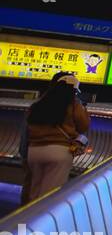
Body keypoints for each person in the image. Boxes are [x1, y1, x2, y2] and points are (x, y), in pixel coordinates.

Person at [22, 71, 90, 204]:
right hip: (59, 152)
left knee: (34, 192)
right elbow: (83, 126)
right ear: (74, 89)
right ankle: (43, 222)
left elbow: (28, 126)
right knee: (50, 195)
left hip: (34, 151)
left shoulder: (38, 104)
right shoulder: (73, 104)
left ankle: (26, 222)